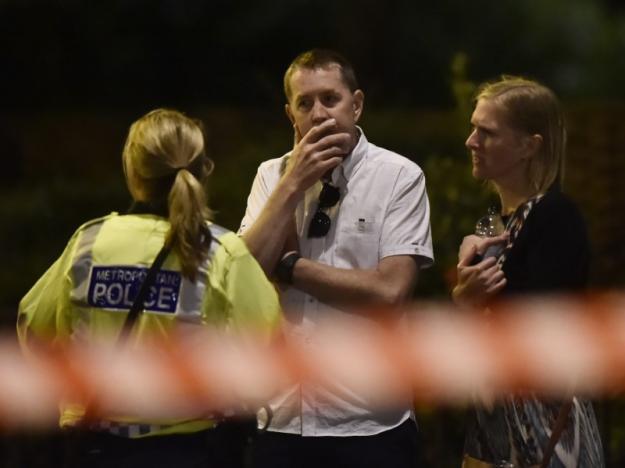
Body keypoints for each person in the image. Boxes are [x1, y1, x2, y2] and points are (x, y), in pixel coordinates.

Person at [17, 108, 281, 468]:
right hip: (191, 452)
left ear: (132, 171)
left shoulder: (88, 243)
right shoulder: (222, 253)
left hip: (94, 449)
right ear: (205, 169)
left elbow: (33, 330)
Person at [238, 49, 434, 468]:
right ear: (289, 113)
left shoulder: (399, 176)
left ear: (356, 104)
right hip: (281, 415)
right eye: (304, 103)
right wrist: (293, 184)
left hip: (369, 421)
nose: (319, 113)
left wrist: (289, 266)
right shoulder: (271, 176)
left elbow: (390, 290)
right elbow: (244, 278)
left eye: (331, 99)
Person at [452, 77, 604, 467]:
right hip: (492, 434)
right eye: (473, 128)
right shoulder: (490, 225)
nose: (471, 141)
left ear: (529, 146)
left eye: (486, 132)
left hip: (542, 435)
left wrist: (469, 299)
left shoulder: (554, 216)